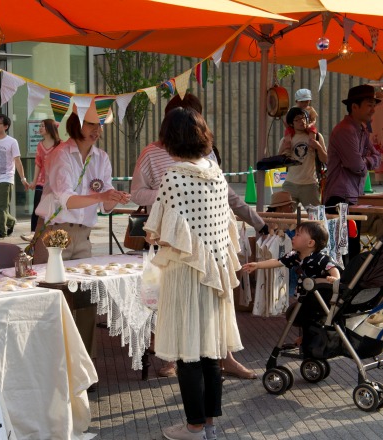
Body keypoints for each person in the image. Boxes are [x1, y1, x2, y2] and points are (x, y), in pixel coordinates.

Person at [131, 93, 262, 380]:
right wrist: (171, 197)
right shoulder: (151, 153)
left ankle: (224, 356)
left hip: (209, 242)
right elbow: (136, 193)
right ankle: (169, 356)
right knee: (166, 298)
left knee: (215, 299)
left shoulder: (209, 157)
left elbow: (227, 197)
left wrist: (257, 221)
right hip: (170, 241)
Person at [144, 107, 242, 440]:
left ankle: (194, 427)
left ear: (169, 139)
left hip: (186, 274)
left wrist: (151, 234)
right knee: (210, 350)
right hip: (215, 271)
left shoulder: (173, 176)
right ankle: (210, 425)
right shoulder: (216, 172)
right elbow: (226, 226)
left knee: (189, 353)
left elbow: (157, 230)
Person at [32, 103, 130, 264]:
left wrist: (115, 197)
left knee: (82, 286)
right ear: (76, 123)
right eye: (91, 123)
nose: (97, 130)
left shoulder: (101, 158)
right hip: (55, 231)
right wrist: (101, 196)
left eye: (100, 125)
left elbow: (105, 207)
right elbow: (67, 200)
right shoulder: (61, 154)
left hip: (84, 235)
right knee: (50, 284)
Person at [242, 221, 340, 345]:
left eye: (298, 235)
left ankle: (310, 339)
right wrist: (258, 265)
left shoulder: (321, 258)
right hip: (305, 297)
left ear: (310, 243)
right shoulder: (295, 256)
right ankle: (306, 338)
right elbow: (277, 262)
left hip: (320, 297)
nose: (293, 236)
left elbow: (333, 268)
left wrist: (334, 278)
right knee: (304, 318)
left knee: (313, 319)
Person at [323, 85, 381, 259]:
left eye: (374, 104)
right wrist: (366, 162)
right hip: (340, 197)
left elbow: (377, 157)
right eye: (369, 104)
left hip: (353, 196)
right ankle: (340, 284)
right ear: (354, 106)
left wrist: (365, 161)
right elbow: (356, 165)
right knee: (341, 249)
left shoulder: (362, 129)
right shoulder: (345, 130)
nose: (373, 109)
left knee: (352, 245)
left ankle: (349, 283)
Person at [21, 119, 62, 242]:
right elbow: (38, 164)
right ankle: (33, 232)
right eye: (40, 126)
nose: (40, 128)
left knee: (55, 208)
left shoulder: (61, 144)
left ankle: (55, 232)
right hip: (42, 181)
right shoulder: (40, 145)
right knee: (37, 207)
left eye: (43, 126)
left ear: (50, 128)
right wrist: (34, 181)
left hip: (57, 182)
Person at [278, 107, 327, 208]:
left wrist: (318, 147)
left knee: (316, 218)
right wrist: (282, 149)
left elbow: (325, 159)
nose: (302, 121)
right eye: (298, 119)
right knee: (283, 217)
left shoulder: (316, 136)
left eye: (304, 118)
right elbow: (279, 163)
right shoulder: (286, 140)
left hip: (310, 185)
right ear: (291, 123)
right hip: (290, 184)